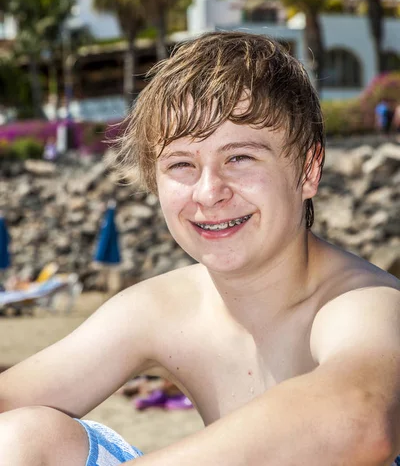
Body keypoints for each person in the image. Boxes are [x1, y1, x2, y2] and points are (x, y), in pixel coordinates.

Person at [1, 31, 400, 466]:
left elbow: (358, 419)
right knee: (24, 438)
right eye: (182, 165)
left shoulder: (366, 303)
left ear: (307, 169)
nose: (209, 193)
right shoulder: (164, 309)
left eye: (240, 158)